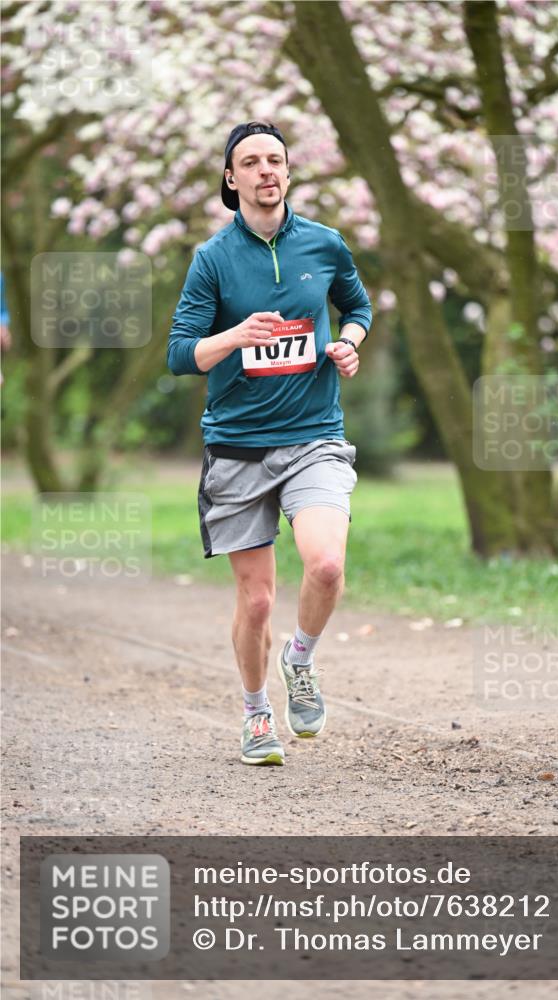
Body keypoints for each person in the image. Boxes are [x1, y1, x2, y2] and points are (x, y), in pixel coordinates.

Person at [167, 121, 372, 766]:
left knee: (327, 565)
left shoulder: (325, 243)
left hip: (314, 435)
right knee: (257, 600)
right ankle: (256, 715)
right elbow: (180, 355)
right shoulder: (213, 259)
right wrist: (235, 336)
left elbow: (357, 309)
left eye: (275, 160)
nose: (265, 171)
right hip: (237, 447)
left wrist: (348, 344)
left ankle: (300, 659)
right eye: (250, 162)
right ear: (231, 179)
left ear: (288, 171)